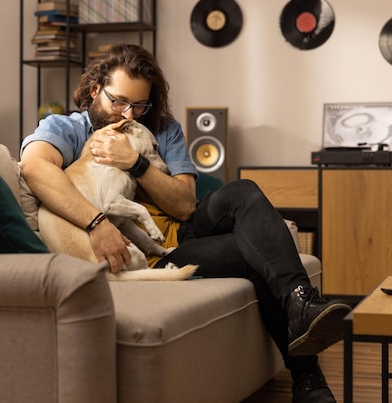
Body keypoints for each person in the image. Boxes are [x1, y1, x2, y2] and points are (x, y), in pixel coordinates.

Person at [19, 43, 351, 403]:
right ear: (95, 89)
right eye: (118, 102)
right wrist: (97, 224)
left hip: (188, 228)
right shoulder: (67, 129)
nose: (129, 115)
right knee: (256, 256)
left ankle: (302, 303)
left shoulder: (163, 129)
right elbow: (35, 167)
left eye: (140, 105)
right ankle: (308, 379)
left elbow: (183, 205)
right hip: (159, 253)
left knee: (244, 191)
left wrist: (135, 162)